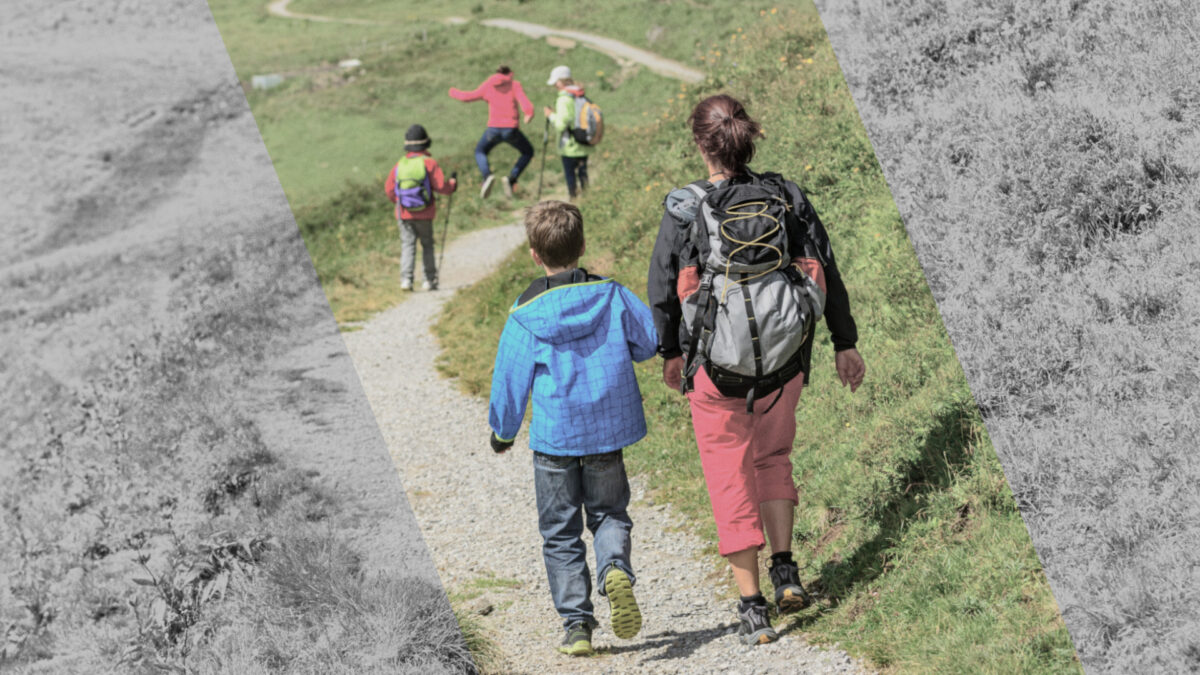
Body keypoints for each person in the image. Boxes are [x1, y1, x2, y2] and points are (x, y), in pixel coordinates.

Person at [647, 94, 866, 646]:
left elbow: (663, 291)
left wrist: (671, 355)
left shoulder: (684, 208)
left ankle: (752, 608)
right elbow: (826, 267)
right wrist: (845, 342)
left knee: (728, 474)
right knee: (773, 456)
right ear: (749, 138)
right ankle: (786, 568)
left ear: (702, 143)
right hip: (783, 361)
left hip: (715, 371)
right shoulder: (785, 195)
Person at [488, 200, 657, 656]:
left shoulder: (525, 313)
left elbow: (509, 379)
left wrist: (502, 432)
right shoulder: (612, 294)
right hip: (607, 432)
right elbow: (648, 343)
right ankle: (614, 569)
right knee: (609, 513)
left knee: (560, 531)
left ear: (534, 255)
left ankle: (577, 626)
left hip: (555, 441)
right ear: (582, 246)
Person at [385, 124, 457, 291]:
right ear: (426, 144)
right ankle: (428, 280)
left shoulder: (400, 164)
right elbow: (441, 187)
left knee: (407, 244)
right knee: (427, 244)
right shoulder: (429, 163)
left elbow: (389, 189)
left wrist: (400, 202)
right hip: (425, 213)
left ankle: (406, 280)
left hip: (404, 213)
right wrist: (452, 184)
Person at [449, 65, 534, 199]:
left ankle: (487, 176)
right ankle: (512, 179)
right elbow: (524, 101)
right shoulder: (514, 85)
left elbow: (468, 97)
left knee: (480, 151)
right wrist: (528, 113)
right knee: (528, 151)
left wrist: (453, 91)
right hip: (510, 129)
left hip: (493, 129)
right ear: (510, 73)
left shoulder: (489, 85)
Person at [542, 65, 591, 199]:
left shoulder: (564, 99)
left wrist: (550, 115)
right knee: (583, 174)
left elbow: (561, 125)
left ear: (562, 81)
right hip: (584, 142)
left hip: (569, 145)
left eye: (556, 82)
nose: (555, 85)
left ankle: (573, 201)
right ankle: (589, 200)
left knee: (570, 175)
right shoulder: (580, 95)